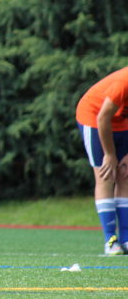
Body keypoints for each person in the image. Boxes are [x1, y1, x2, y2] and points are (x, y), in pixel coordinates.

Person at [76, 67, 128, 255]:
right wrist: (109, 154)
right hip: (94, 117)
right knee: (106, 174)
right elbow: (103, 117)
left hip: (122, 122)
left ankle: (126, 238)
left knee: (125, 175)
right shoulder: (123, 83)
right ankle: (110, 241)